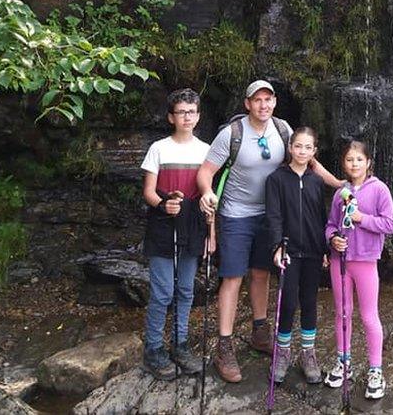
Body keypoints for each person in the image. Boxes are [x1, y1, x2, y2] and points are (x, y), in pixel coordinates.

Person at [197, 80, 339, 383]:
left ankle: (260, 331)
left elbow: (310, 162)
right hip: (236, 214)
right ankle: (225, 346)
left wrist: (340, 184)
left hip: (273, 216)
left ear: (274, 102)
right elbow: (206, 172)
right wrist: (208, 193)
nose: (263, 105)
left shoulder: (282, 129)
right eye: (257, 100)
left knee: (261, 272)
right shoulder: (231, 134)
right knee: (233, 277)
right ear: (247, 103)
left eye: (268, 99)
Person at [139, 88, 214, 380]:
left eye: (192, 112)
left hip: (193, 225)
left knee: (185, 289)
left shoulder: (206, 151)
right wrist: (163, 204)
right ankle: (154, 349)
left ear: (198, 116)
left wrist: (212, 233)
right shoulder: (159, 148)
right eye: (181, 112)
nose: (187, 117)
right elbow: (148, 191)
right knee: (162, 292)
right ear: (171, 116)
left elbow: (208, 197)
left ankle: (180, 345)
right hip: (163, 224)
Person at [324, 140, 393, 400]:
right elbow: (331, 224)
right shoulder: (339, 193)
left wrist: (361, 219)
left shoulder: (379, 190)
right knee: (342, 313)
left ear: (368, 163)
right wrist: (333, 239)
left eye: (358, 159)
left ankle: (375, 370)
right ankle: (344, 362)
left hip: (365, 261)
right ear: (343, 164)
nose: (354, 164)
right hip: (340, 261)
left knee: (368, 315)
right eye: (349, 160)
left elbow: (389, 224)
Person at [265, 127, 328, 385]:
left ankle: (308, 353)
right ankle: (282, 352)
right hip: (289, 251)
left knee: (310, 301)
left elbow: (322, 217)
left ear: (314, 152)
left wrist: (325, 250)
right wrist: (277, 246)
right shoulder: (276, 179)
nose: (302, 151)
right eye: (298, 146)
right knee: (288, 301)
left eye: (307, 147)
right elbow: (273, 215)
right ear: (290, 148)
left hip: (313, 251)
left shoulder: (316, 181)